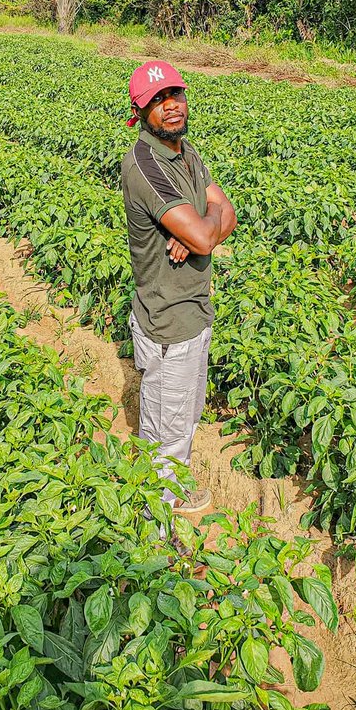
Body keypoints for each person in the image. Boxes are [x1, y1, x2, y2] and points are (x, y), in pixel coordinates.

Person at [120, 60, 236, 514]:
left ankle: (174, 493)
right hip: (168, 322)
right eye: (158, 101)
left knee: (183, 418)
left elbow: (225, 211)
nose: (171, 107)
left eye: (175, 95)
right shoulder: (144, 165)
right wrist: (202, 231)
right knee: (164, 433)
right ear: (140, 111)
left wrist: (196, 231)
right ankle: (157, 528)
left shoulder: (187, 153)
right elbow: (211, 230)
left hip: (194, 312)